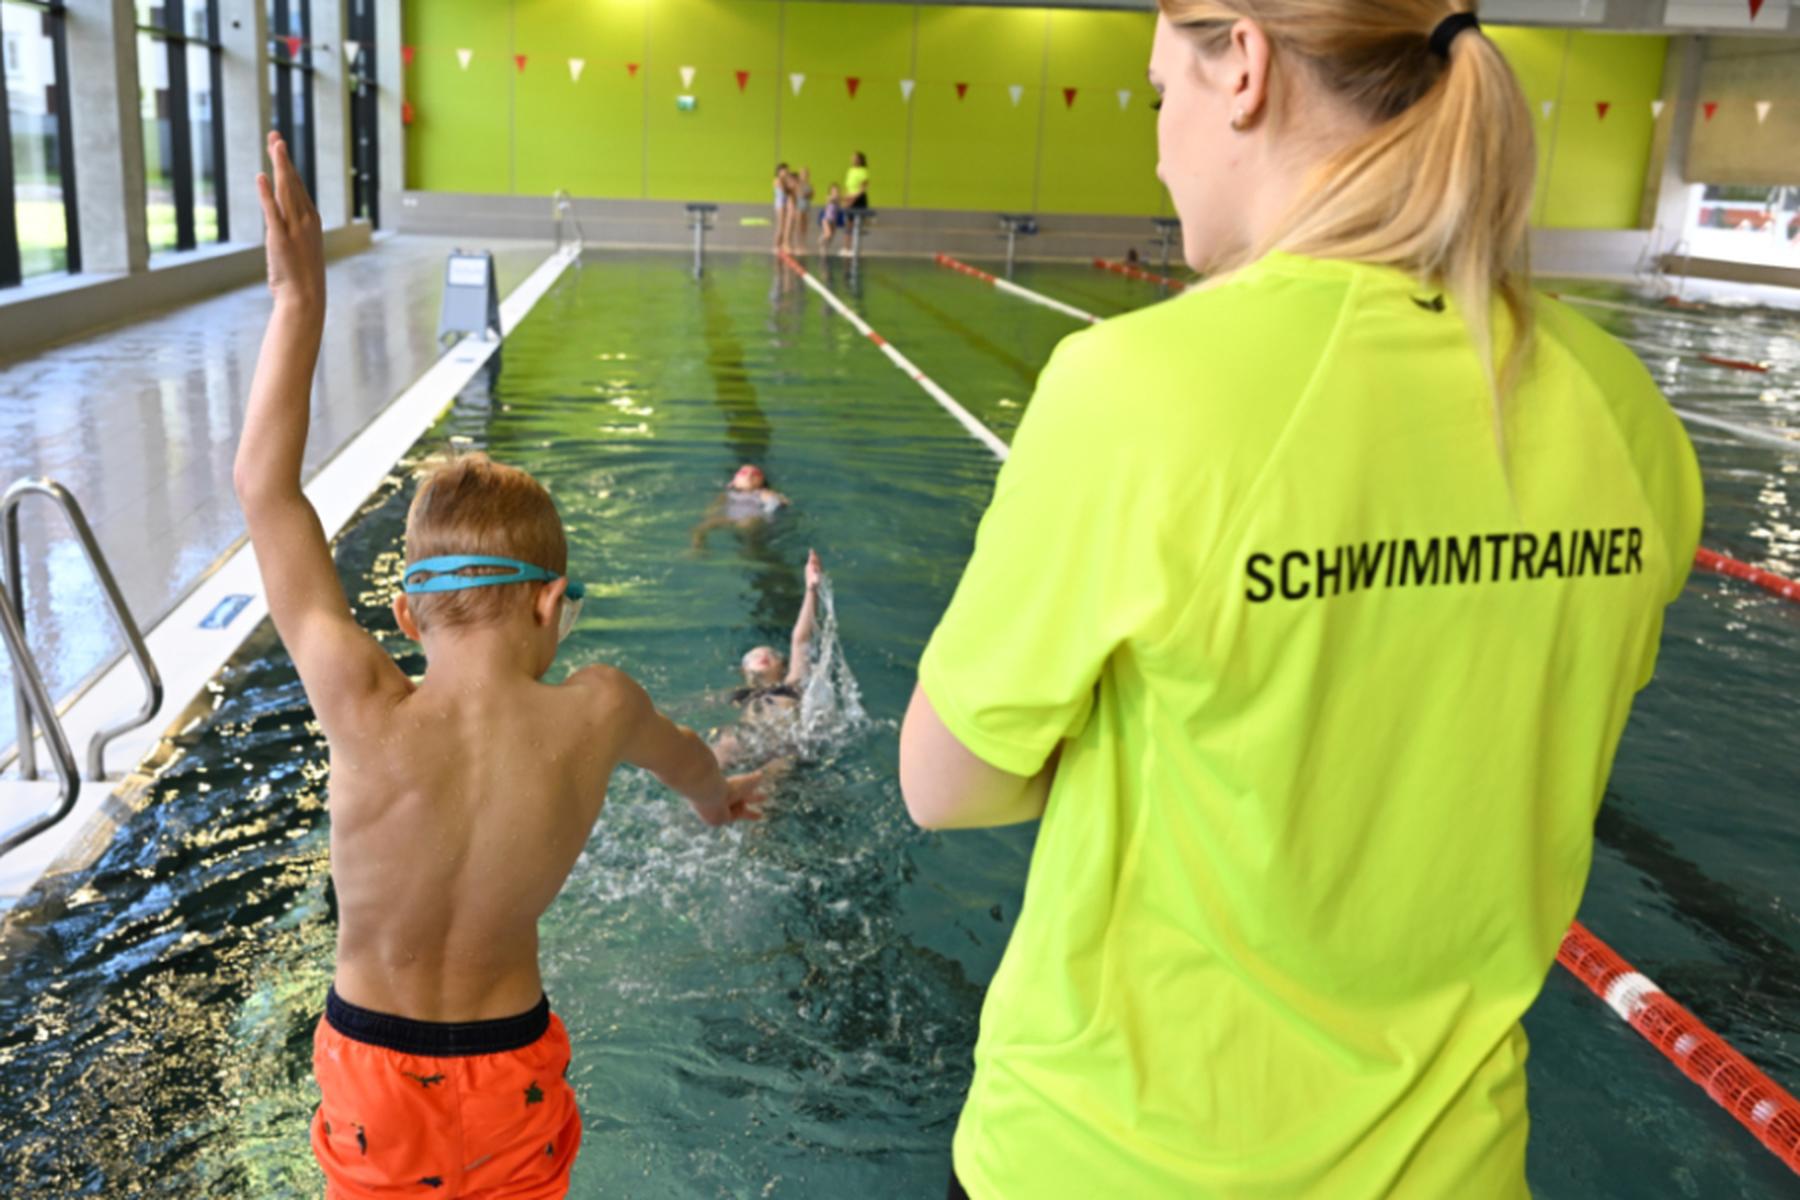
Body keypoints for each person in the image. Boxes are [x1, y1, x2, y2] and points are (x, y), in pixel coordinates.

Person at [899, 5, 1702, 1200]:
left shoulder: (1143, 389)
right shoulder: (1623, 409)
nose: (1158, 148)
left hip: (1111, 1160)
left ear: (1247, 75)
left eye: (1159, 94)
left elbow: (944, 783)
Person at [235, 131, 764, 1200]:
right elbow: (699, 774)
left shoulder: (361, 698)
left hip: (371, 1078)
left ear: (406, 611)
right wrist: (726, 798)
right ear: (552, 606)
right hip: (508, 1075)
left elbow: (264, 490)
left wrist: (298, 305)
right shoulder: (601, 709)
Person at [711, 549, 825, 774]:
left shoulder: (791, 685)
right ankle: (693, 805)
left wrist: (811, 590)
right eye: (753, 656)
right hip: (744, 739)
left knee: (766, 783)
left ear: (782, 667)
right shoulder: (736, 694)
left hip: (781, 745)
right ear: (743, 670)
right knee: (718, 752)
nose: (763, 656)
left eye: (772, 655)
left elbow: (800, 639)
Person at [691, 463, 790, 549]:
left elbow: (773, 502)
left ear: (762, 482)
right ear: (733, 482)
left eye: (756, 474)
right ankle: (697, 548)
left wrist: (777, 501)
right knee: (700, 527)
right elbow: (713, 508)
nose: (749, 475)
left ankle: (751, 548)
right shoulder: (727, 494)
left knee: (747, 524)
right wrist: (710, 514)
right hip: (731, 519)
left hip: (752, 519)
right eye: (743, 473)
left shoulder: (762, 492)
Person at [818, 183, 847, 256]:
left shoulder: (839, 199)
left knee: (831, 237)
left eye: (837, 191)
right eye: (834, 191)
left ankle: (824, 249)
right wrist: (835, 198)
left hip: (834, 220)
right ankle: (820, 239)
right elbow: (830, 201)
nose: (835, 193)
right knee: (828, 234)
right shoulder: (829, 197)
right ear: (830, 192)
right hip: (826, 219)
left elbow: (842, 204)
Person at [772, 162, 791, 254]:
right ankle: (776, 245)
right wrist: (787, 182)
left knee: (784, 226)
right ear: (779, 171)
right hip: (780, 204)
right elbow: (785, 190)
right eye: (785, 171)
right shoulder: (777, 180)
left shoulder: (785, 181)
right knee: (780, 225)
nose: (787, 172)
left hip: (785, 203)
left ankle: (781, 245)